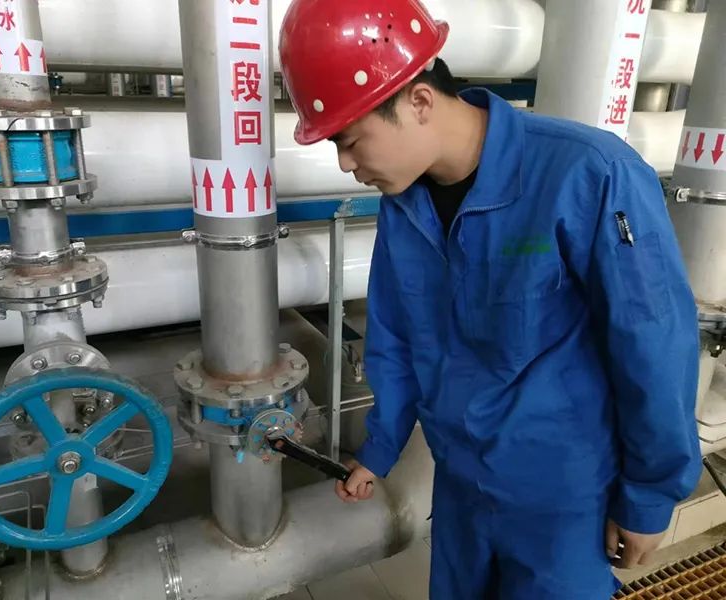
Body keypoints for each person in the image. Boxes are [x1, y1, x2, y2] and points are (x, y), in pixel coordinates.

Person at [279, 1, 702, 598]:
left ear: (419, 102)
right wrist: (379, 448)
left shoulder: (590, 174)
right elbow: (396, 336)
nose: (346, 165)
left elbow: (653, 346)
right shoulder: (407, 204)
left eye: (350, 141)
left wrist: (649, 496)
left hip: (564, 499)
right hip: (461, 486)